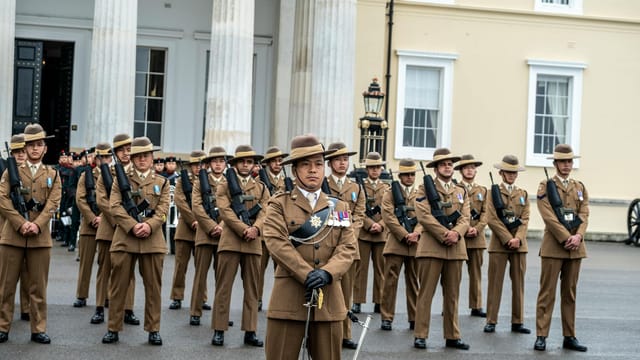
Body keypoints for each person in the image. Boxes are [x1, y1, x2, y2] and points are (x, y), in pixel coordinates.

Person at [263, 134, 357, 359]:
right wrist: (307, 274)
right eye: (305, 165)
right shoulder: (278, 204)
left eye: (318, 164)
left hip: (329, 298)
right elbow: (277, 243)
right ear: (294, 170)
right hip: (289, 299)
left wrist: (327, 273)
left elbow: (348, 246)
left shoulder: (339, 206)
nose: (313, 170)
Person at [101, 136, 170, 346]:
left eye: (146, 156)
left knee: (153, 289)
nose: (142, 160)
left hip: (153, 240)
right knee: (118, 286)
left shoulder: (162, 182)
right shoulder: (120, 181)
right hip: (125, 239)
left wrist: (149, 225)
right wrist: (133, 226)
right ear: (131, 158)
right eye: (138, 156)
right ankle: (113, 327)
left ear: (152, 157)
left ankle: (153, 329)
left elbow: (163, 209)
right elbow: (115, 207)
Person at [0, 124, 61, 344]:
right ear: (24, 148)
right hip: (13, 237)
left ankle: (38, 329)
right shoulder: (11, 172)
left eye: (39, 145)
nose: (35, 149)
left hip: (39, 238)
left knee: (38, 287)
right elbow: (3, 199)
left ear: (45, 149)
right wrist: (20, 223)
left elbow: (54, 203)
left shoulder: (52, 174)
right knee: (6, 286)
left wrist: (37, 224)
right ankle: (2, 326)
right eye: (30, 145)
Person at [413, 148, 471, 350]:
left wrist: (456, 233)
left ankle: (453, 335)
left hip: (456, 248)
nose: (448, 166)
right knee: (426, 293)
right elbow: (423, 215)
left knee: (453, 295)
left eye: (450, 164)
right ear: (436, 168)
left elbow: (465, 216)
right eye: (443, 164)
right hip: (432, 247)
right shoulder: (424, 189)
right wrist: (443, 233)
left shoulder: (461, 190)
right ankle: (420, 334)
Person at [211, 145, 268, 347]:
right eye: (242, 161)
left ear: (254, 165)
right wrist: (244, 228)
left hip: (254, 242)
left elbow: (265, 212)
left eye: (250, 161)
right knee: (223, 287)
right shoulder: (224, 185)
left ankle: (250, 330)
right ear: (235, 164)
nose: (246, 164)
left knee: (252, 288)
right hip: (231, 240)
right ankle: (219, 329)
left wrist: (256, 229)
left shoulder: (261, 187)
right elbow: (225, 212)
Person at [534, 144, 589, 352]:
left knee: (570, 293)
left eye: (569, 161)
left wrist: (578, 236)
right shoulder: (545, 186)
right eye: (563, 161)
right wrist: (566, 237)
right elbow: (547, 215)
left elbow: (584, 214)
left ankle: (569, 335)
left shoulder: (579, 187)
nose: (567, 165)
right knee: (547, 293)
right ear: (555, 164)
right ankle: (541, 335)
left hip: (575, 247)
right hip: (553, 246)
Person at [92, 134, 139, 326]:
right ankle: (99, 308)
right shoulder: (106, 172)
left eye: (130, 150)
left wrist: (129, 223)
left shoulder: (138, 173)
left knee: (129, 271)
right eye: (122, 150)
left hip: (130, 229)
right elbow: (102, 200)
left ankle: (128, 309)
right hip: (110, 227)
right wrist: (120, 220)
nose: (127, 153)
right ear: (116, 153)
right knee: (104, 269)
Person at [483, 155, 531, 334]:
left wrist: (518, 238)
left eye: (514, 172)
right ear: (501, 173)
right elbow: (491, 218)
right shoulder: (492, 193)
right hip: (499, 244)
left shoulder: (522, 194)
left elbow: (525, 218)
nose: (511, 175)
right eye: (508, 172)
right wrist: (507, 238)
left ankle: (517, 321)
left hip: (519, 245)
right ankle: (491, 320)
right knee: (495, 283)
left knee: (518, 283)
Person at [324, 142, 365, 350]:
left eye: (345, 159)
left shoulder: (356, 187)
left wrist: (350, 233)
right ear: (330, 163)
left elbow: (359, 214)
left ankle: (345, 334)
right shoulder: (323, 184)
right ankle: (323, 332)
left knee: (346, 293)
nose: (342, 163)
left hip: (348, 246)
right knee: (325, 292)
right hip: (326, 245)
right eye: (338, 159)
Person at [379, 158, 421, 331]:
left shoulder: (421, 193)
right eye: (406, 175)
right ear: (400, 176)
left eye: (412, 174)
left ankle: (414, 316)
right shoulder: (390, 193)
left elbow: (427, 216)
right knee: (390, 282)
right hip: (396, 242)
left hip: (416, 243)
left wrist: (416, 233)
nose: (409, 177)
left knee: (414, 282)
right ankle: (387, 317)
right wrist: (405, 235)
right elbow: (388, 216)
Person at [189, 146, 229, 325]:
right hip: (205, 234)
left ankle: (220, 315)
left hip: (225, 234)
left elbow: (233, 208)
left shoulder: (230, 181)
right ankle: (195, 312)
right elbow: (196, 206)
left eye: (221, 161)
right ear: (209, 163)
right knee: (200, 276)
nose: (218, 164)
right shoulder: (199, 182)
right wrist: (212, 226)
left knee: (223, 279)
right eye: (215, 161)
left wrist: (221, 225)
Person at [168, 150, 206, 311]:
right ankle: (177, 297)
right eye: (195, 165)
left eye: (201, 164)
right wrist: (194, 220)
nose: (198, 167)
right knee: (180, 266)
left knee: (202, 267)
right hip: (186, 228)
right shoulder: (182, 180)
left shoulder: (209, 181)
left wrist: (202, 221)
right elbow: (180, 201)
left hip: (203, 228)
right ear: (190, 166)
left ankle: (201, 298)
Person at [73, 143, 108, 311]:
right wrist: (92, 218)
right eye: (102, 157)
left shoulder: (116, 176)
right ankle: (82, 295)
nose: (105, 160)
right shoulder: (86, 175)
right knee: (85, 262)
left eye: (108, 157)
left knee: (106, 263)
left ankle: (105, 295)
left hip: (107, 224)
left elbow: (116, 200)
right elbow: (80, 199)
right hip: (89, 225)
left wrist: (103, 217)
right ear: (96, 159)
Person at [353, 152, 389, 314]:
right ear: (367, 169)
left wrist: (380, 225)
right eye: (372, 168)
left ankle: (379, 300)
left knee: (381, 270)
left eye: (377, 167)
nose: (375, 170)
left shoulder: (387, 188)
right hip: (365, 233)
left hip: (381, 234)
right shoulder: (360, 187)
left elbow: (390, 211)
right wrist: (369, 224)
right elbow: (358, 210)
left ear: (381, 169)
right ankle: (357, 301)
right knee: (361, 269)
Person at [454, 154, 488, 318]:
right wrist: (463, 229)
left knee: (475, 273)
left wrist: (478, 228)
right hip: (458, 236)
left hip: (476, 236)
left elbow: (486, 213)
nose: (470, 170)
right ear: (461, 170)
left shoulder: (482, 190)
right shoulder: (454, 189)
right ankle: (451, 304)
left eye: (472, 168)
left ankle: (476, 305)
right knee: (453, 274)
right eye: (466, 168)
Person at [257, 146, 289, 311]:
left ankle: (281, 300)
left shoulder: (288, 181)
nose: (278, 163)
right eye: (275, 161)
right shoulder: (259, 181)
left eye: (280, 161)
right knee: (259, 269)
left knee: (281, 269)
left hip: (281, 231)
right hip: (263, 230)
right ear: (268, 163)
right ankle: (257, 299)